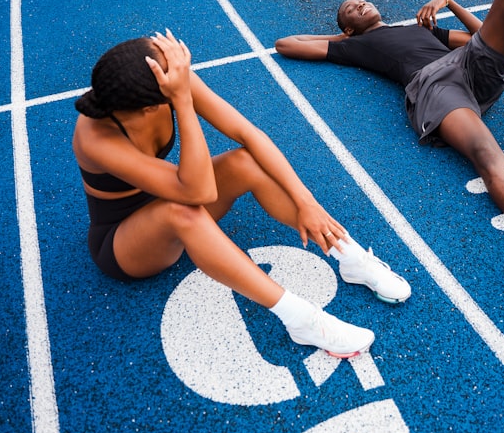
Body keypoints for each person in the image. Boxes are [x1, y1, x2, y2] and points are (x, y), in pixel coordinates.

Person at [72, 30, 411, 359]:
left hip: (172, 195)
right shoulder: (96, 138)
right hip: (124, 242)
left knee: (244, 162)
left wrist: (307, 203)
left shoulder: (165, 82)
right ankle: (302, 320)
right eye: (173, 70)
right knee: (181, 212)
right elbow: (198, 191)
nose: (180, 68)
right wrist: (183, 100)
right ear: (151, 105)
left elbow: (249, 134)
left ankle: (347, 255)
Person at [274, 0, 504, 288]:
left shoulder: (420, 29)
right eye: (351, 9)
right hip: (436, 85)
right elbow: (287, 44)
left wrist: (449, 2)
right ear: (349, 27)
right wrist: (345, 38)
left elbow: (488, 36)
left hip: (469, 66)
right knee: (489, 157)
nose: (360, 3)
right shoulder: (355, 45)